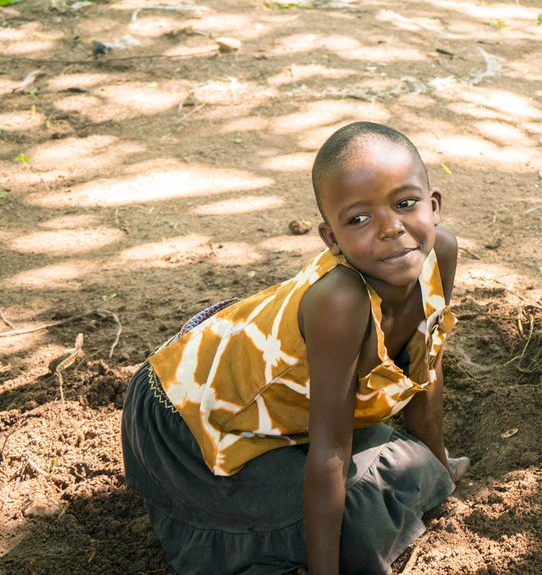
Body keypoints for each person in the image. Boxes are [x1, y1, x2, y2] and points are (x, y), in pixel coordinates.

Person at [121, 122, 469, 575]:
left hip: (274, 412)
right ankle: (202, 506)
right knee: (358, 516)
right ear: (330, 238)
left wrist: (439, 468)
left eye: (405, 204)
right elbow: (330, 454)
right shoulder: (340, 302)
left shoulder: (439, 252)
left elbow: (427, 363)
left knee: (412, 469)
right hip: (184, 422)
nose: (390, 229)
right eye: (359, 219)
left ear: (434, 205)